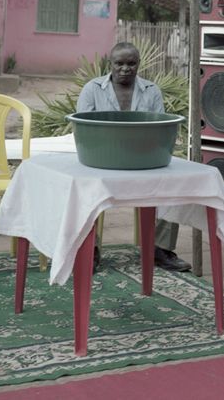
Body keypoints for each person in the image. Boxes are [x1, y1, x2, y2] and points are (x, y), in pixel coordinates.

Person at [76, 41, 191, 272]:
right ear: (110, 64)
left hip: (143, 161)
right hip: (103, 162)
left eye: (131, 63)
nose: (125, 68)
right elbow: (84, 128)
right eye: (119, 63)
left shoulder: (151, 90)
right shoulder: (92, 89)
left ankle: (160, 249)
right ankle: (90, 250)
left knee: (172, 186)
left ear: (139, 64)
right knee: (83, 188)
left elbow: (159, 128)